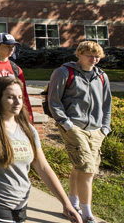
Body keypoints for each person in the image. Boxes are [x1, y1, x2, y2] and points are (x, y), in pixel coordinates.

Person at [0, 76, 82, 223]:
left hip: (20, 201)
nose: (18, 102)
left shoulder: (27, 129)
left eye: (19, 97)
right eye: (10, 97)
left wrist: (67, 204)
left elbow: (43, 167)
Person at [47, 41, 111, 223]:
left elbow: (107, 104)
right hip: (74, 126)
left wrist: (105, 128)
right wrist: (67, 124)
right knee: (88, 170)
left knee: (79, 167)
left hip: (96, 129)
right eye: (90, 55)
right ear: (80, 54)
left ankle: (72, 203)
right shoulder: (64, 72)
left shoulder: (102, 76)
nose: (94, 59)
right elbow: (54, 101)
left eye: (97, 56)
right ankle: (87, 213)